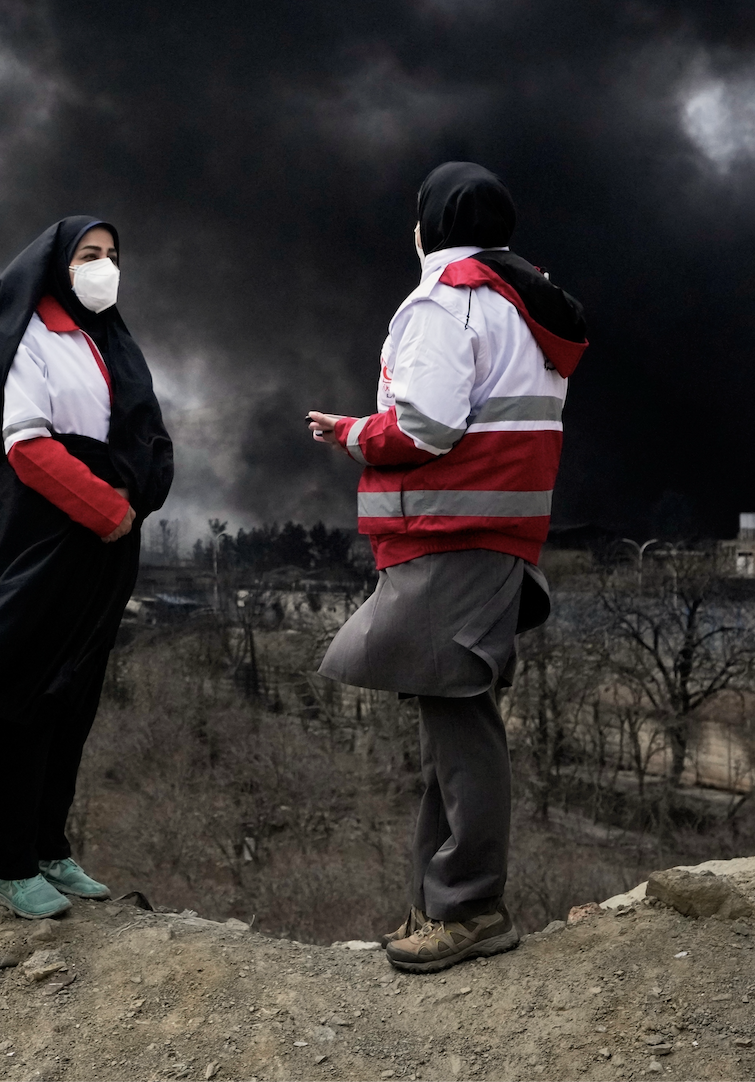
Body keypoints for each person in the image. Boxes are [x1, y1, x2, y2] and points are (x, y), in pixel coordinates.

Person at [306, 161, 586, 973]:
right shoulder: (522, 297)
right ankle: (438, 901)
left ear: (429, 223)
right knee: (446, 725)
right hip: (490, 533)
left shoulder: (447, 300)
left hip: (451, 533)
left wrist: (355, 434)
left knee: (462, 728)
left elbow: (426, 426)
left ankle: (468, 909)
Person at [0, 217, 173, 919]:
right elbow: (26, 445)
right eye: (88, 256)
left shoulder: (108, 340)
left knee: (76, 695)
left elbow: (143, 434)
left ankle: (48, 844)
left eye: (112, 256)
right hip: (47, 543)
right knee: (25, 697)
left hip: (104, 548)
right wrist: (107, 507)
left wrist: (138, 494)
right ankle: (8, 862)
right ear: (54, 266)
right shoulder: (27, 341)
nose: (105, 268)